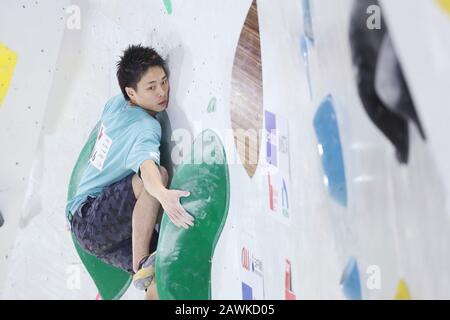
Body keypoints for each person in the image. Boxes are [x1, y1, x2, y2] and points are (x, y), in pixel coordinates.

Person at [66, 44, 194, 300]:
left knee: (163, 272)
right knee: (158, 175)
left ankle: (146, 268)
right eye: (151, 87)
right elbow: (146, 169)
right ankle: (141, 260)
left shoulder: (115, 105)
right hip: (91, 215)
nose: (162, 92)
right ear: (131, 93)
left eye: (164, 81)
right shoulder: (145, 127)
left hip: (90, 231)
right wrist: (162, 193)